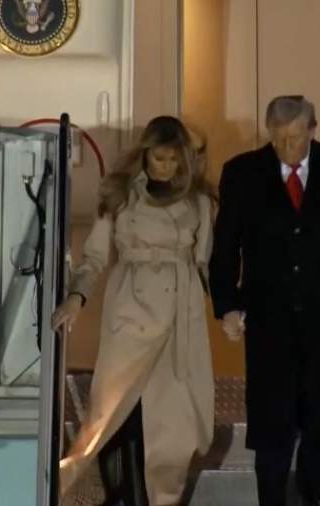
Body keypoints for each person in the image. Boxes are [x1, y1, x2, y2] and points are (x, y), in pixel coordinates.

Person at [208, 95, 320, 506]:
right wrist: (227, 305)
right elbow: (225, 248)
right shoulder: (242, 172)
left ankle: (310, 493)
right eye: (277, 139)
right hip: (269, 317)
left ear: (312, 129)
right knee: (272, 426)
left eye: (294, 138)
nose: (286, 147)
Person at [51, 116, 215, 506]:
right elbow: (94, 256)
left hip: (180, 313)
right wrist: (77, 296)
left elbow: (205, 262)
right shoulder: (120, 193)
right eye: (159, 158)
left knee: (175, 424)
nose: (166, 167)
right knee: (111, 414)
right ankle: (95, 491)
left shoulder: (200, 200)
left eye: (174, 160)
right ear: (144, 154)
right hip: (131, 308)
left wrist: (224, 308)